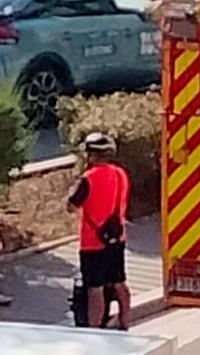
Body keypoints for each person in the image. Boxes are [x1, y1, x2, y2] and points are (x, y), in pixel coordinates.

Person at [67, 132, 131, 329]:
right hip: (117, 237)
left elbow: (71, 205)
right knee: (119, 282)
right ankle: (124, 322)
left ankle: (95, 330)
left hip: (93, 243)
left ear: (91, 155)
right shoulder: (120, 174)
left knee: (96, 288)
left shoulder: (88, 179)